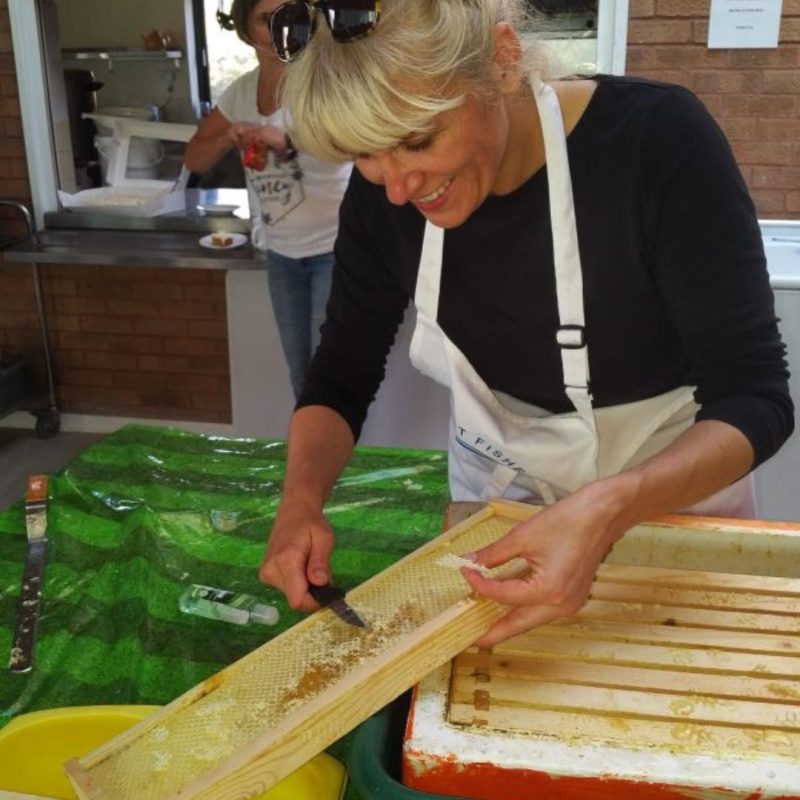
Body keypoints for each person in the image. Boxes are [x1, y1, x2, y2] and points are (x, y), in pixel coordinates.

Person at [258, 0, 793, 646]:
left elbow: (755, 398)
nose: (397, 188)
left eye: (418, 141)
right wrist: (300, 500)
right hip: (499, 507)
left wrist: (606, 509)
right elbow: (339, 376)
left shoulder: (656, 143)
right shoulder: (385, 195)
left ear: (503, 62)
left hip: (671, 503)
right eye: (365, 155)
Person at [184, 0, 352, 399]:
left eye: (292, 16)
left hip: (335, 249)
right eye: (267, 19)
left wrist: (289, 141)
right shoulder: (242, 92)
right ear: (245, 29)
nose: (283, 28)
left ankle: (327, 459)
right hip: (281, 254)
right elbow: (194, 158)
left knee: (328, 376)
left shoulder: (322, 82)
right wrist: (228, 136)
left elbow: (357, 148)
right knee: (301, 375)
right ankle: (314, 460)